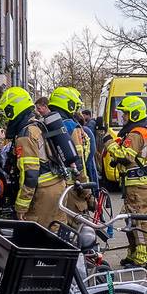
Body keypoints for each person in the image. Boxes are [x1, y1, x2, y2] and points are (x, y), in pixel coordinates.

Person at [0, 86, 65, 228]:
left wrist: (21, 207)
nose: (6, 116)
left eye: (7, 111)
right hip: (57, 187)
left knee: (36, 240)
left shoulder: (25, 134)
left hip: (42, 194)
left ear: (14, 109)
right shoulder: (38, 125)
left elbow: (30, 175)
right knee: (55, 236)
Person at [105, 96, 147, 268]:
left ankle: (144, 258)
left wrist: (109, 143)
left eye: (125, 114)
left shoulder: (136, 133)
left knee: (139, 220)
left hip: (137, 186)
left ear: (134, 114)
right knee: (131, 220)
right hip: (135, 185)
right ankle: (133, 254)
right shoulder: (138, 131)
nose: (123, 117)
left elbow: (126, 156)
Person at [44, 86, 93, 216]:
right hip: (73, 189)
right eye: (75, 106)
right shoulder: (72, 127)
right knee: (76, 231)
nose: (77, 110)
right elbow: (79, 164)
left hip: (52, 186)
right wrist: (87, 193)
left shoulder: (43, 124)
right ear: (69, 105)